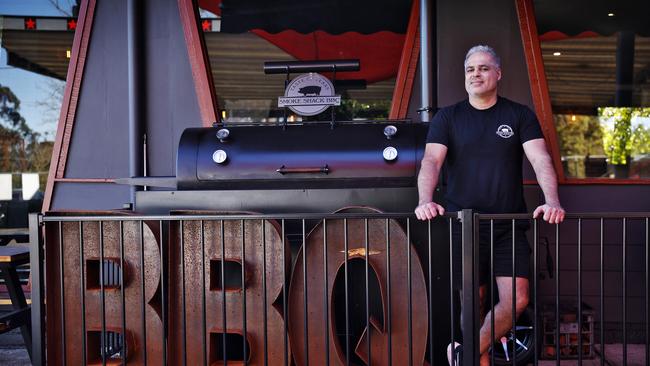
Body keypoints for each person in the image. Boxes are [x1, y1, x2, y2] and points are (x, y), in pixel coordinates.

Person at [414, 45, 565, 366]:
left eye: (483, 68)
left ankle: (462, 353)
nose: (476, 74)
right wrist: (424, 200)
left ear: (498, 74)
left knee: (518, 300)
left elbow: (540, 159)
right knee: (473, 303)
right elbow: (430, 161)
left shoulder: (519, 114)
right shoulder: (448, 117)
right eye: (470, 69)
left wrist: (552, 201)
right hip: (465, 225)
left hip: (509, 225)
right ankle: (474, 360)